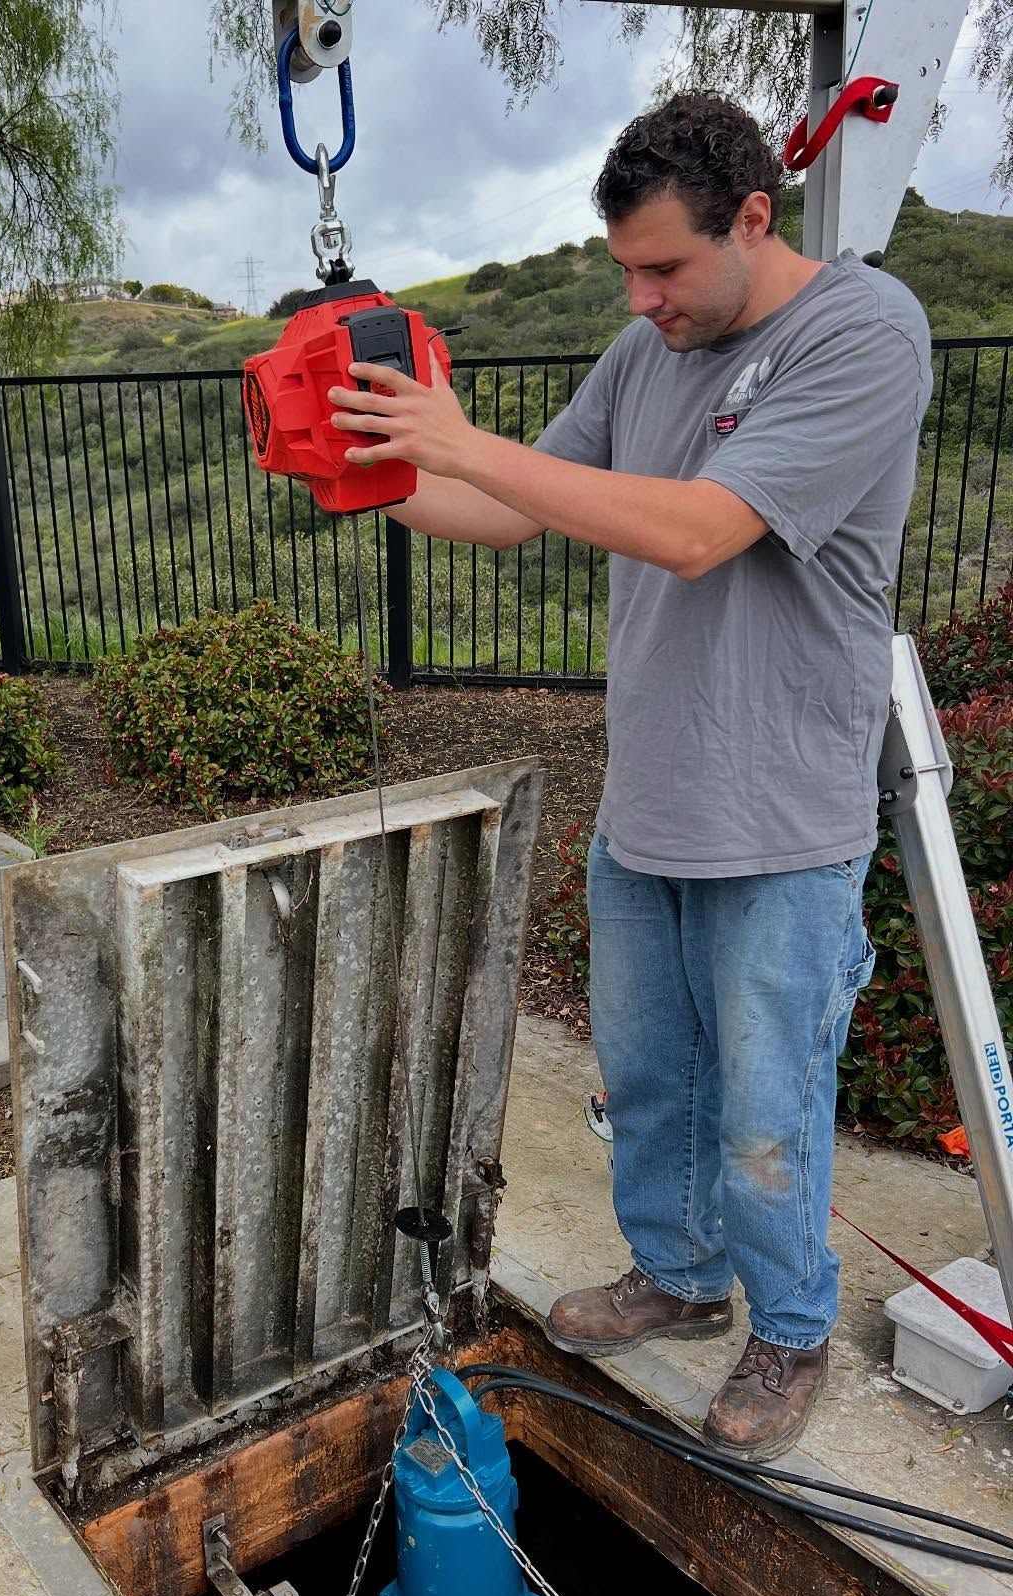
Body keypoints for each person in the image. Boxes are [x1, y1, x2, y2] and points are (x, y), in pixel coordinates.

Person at [326, 92, 933, 1462]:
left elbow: (701, 532)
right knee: (653, 1082)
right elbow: (504, 507)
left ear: (755, 219)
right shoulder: (642, 350)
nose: (644, 297)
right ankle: (678, 1274)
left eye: (665, 268)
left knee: (769, 1106)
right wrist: (358, 462)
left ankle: (788, 1325)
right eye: (625, 272)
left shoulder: (861, 332)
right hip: (652, 799)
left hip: (783, 821)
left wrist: (465, 436)